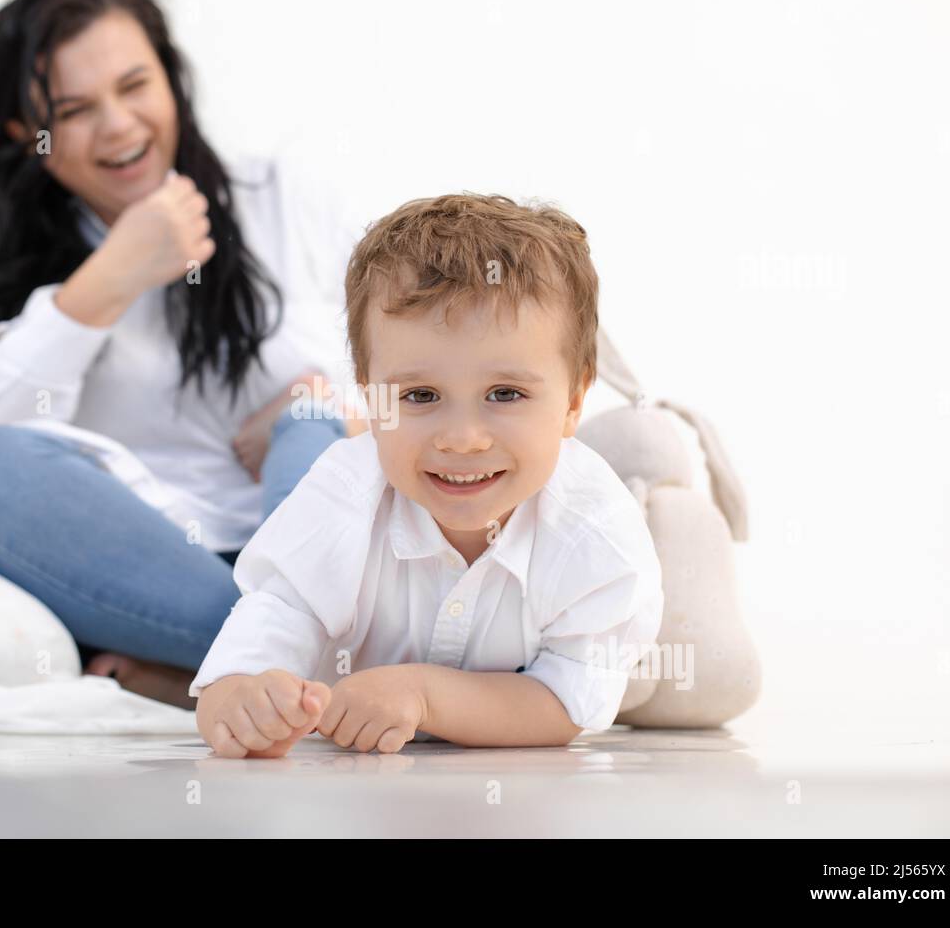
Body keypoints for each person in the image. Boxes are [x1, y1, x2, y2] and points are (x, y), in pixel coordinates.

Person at [0, 0, 365, 710]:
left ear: (171, 81)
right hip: (147, 582)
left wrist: (326, 405)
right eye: (75, 110)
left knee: (319, 431)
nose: (117, 126)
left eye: (135, 85)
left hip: (307, 548)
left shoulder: (282, 200)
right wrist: (104, 283)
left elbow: (420, 362)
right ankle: (303, 664)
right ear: (26, 133)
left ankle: (223, 674)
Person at [190, 194, 665, 756]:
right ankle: (306, 418)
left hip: (595, 601)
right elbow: (264, 630)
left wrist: (426, 695)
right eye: (420, 395)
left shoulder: (598, 533)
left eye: (505, 394)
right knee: (297, 477)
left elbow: (564, 703)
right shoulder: (344, 494)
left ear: (573, 401)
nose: (462, 438)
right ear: (369, 396)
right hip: (329, 478)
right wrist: (244, 702)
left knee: (648, 668)